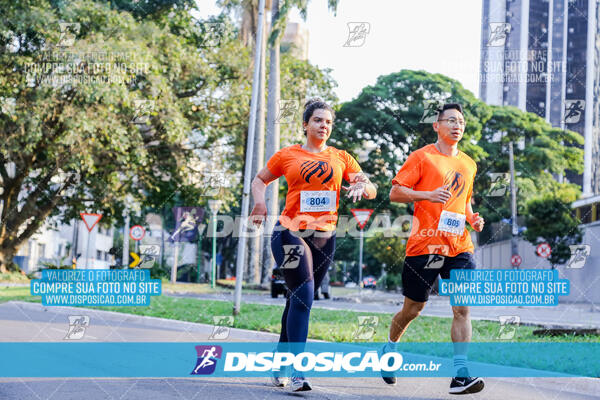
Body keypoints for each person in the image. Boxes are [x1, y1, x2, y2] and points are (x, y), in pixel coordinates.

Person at [250, 98, 377, 392]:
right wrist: (259, 203)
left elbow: (370, 188)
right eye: (318, 120)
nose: (324, 126)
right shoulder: (288, 155)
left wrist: (363, 186)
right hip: (290, 231)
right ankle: (297, 371)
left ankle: (280, 363)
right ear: (305, 124)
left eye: (329, 122)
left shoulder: (341, 157)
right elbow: (260, 180)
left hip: (325, 236)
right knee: (305, 294)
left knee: (298, 298)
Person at [382, 103, 485, 395]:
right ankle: (390, 348)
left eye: (461, 122)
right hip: (425, 245)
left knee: (462, 307)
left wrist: (472, 218)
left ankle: (460, 375)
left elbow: (464, 201)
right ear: (436, 126)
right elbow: (395, 191)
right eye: (450, 120)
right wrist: (427, 194)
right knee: (413, 309)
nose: (457, 126)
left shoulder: (468, 163)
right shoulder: (422, 157)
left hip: (459, 245)